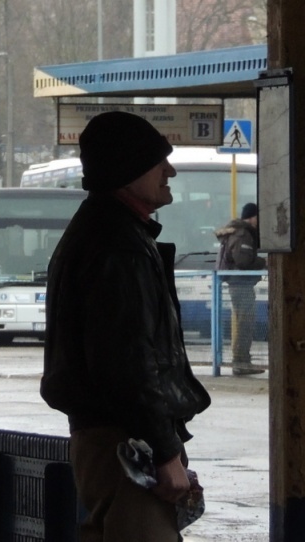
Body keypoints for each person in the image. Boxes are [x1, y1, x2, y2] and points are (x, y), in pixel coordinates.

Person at [41, 111, 212, 541]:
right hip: (126, 444)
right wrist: (166, 453)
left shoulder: (106, 232)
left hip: (113, 438)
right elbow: (128, 364)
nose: (169, 171)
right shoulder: (119, 247)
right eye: (158, 162)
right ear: (127, 169)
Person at [215, 202, 266, 376]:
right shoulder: (243, 234)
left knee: (245, 322)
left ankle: (243, 361)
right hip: (240, 283)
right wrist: (264, 263)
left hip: (239, 283)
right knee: (245, 323)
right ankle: (240, 362)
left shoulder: (238, 232)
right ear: (251, 217)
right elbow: (243, 261)